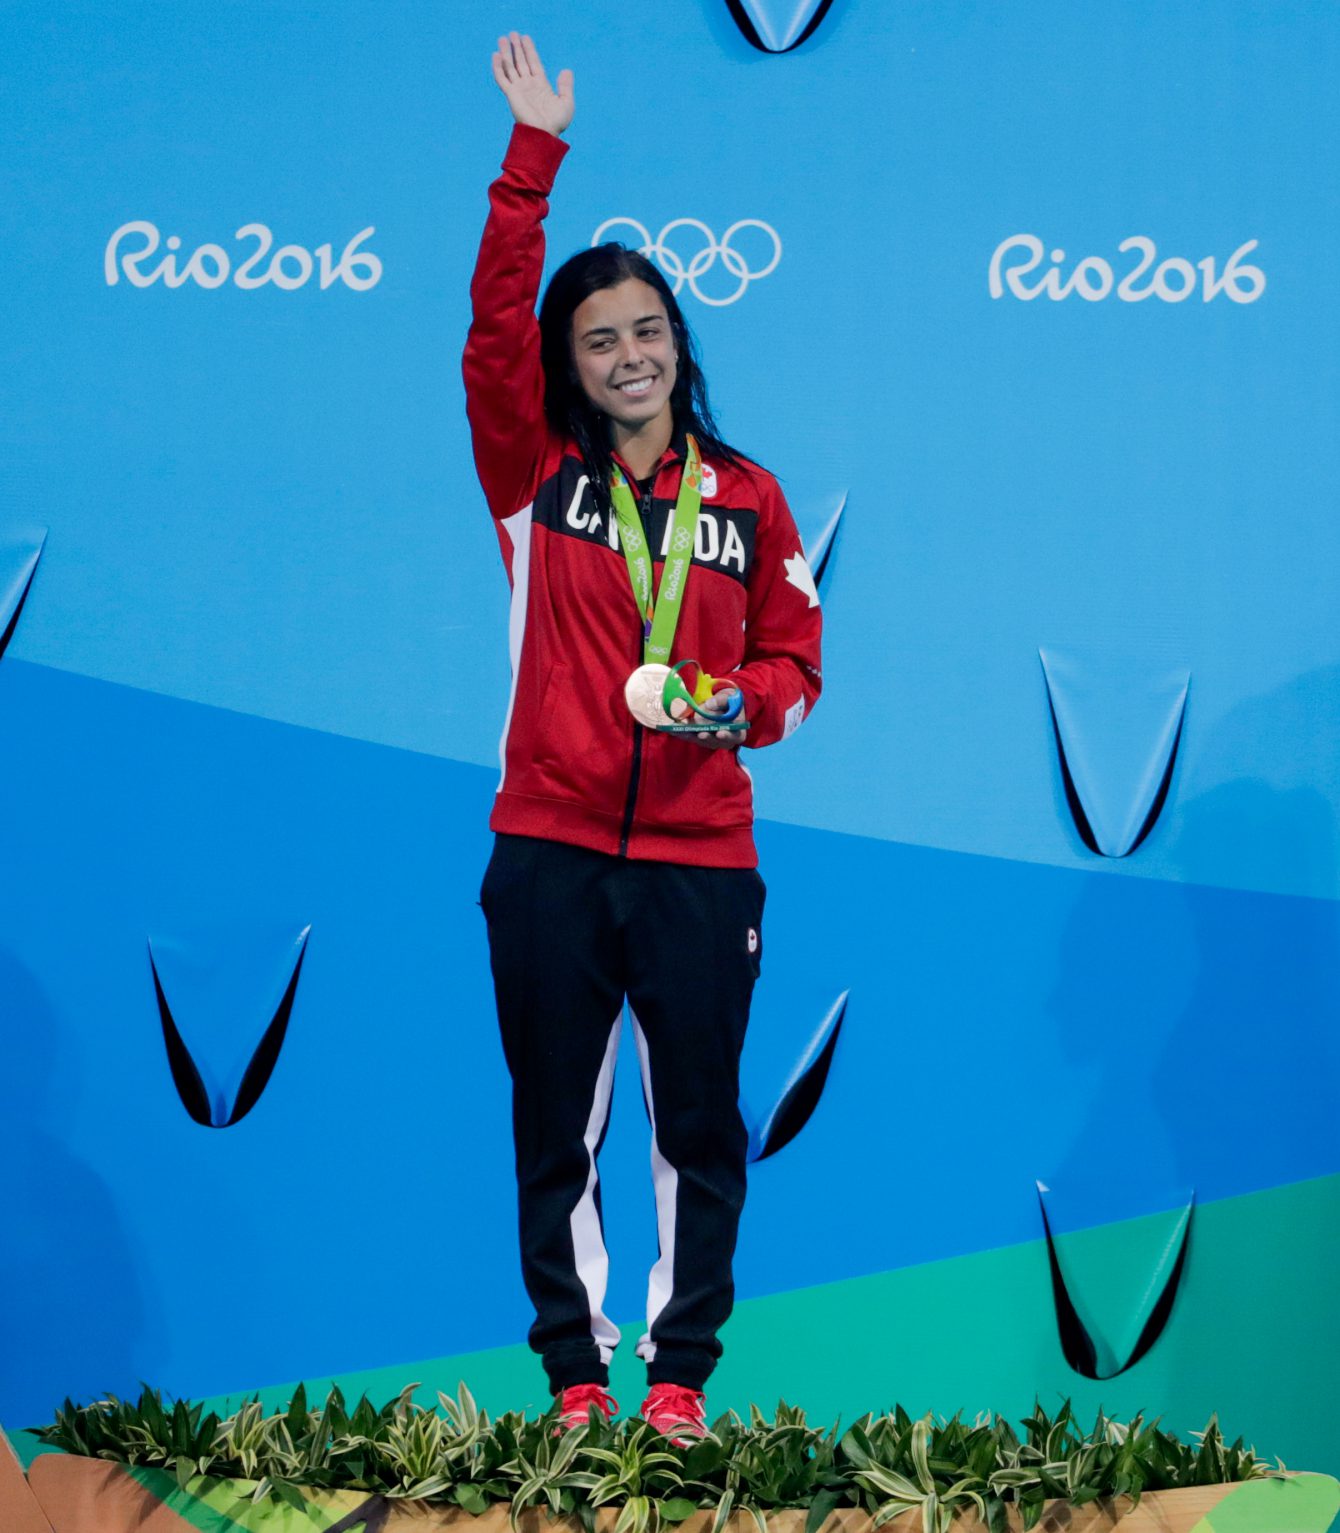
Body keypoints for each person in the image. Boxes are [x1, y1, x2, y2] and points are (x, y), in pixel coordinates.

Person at [463, 31, 823, 1440]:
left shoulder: (749, 497)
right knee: (558, 1125)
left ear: (681, 345)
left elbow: (798, 662)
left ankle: (678, 1381)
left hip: (700, 856)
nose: (630, 355)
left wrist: (748, 708)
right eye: (601, 338)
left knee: (699, 1130)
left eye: (649, 331)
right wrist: (531, 162)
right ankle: (574, 1377)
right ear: (570, 362)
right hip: (550, 846)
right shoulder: (531, 474)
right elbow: (493, 325)